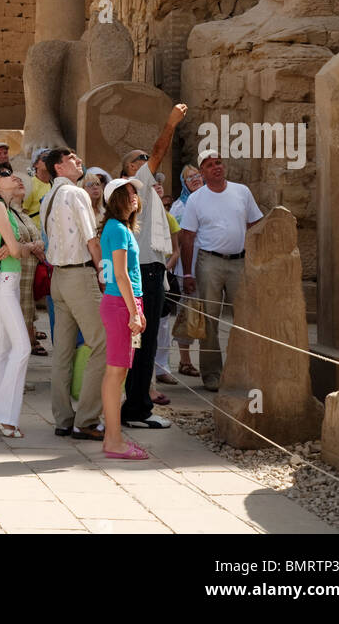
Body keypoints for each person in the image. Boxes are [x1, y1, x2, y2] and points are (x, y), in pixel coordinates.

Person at [117, 104, 188, 433]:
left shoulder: (138, 193)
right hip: (146, 271)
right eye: (140, 158)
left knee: (141, 343)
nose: (148, 161)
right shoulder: (137, 182)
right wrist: (170, 122)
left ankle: (135, 404)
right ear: (131, 168)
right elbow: (160, 150)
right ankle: (136, 409)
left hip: (148, 269)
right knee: (142, 345)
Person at [179, 152, 263, 390]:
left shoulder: (242, 192)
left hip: (239, 261)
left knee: (244, 318)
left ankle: (243, 370)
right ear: (202, 173)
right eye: (209, 165)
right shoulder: (196, 199)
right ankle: (212, 374)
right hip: (210, 263)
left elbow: (255, 224)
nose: (216, 167)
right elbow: (187, 237)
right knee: (210, 320)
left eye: (218, 163)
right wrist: (187, 274)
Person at [39, 147, 106, 440]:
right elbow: (91, 239)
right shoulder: (76, 194)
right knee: (102, 343)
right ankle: (88, 419)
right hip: (79, 274)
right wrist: (104, 274)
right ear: (58, 167)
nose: (79, 161)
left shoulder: (47, 199)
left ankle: (63, 419)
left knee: (62, 352)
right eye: (71, 159)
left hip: (59, 277)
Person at [0, 160, 43, 437]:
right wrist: (30, 246)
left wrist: (21, 247)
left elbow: (16, 249)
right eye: (6, 174)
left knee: (6, 350)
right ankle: (6, 417)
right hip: (4, 282)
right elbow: (16, 251)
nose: (13, 177)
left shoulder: (4, 208)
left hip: (9, 282)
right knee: (22, 348)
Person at [99, 178, 149, 461]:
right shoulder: (117, 229)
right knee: (116, 373)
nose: (134, 197)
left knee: (118, 372)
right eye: (128, 192)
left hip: (124, 303)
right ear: (116, 198)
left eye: (135, 193)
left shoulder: (119, 228)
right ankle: (115, 441)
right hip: (121, 304)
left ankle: (112, 437)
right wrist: (134, 311)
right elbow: (121, 275)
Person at [170, 164, 203, 376]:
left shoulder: (212, 200)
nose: (195, 179)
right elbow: (177, 239)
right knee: (187, 314)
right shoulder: (179, 207)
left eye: (198, 175)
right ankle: (184, 360)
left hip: (207, 265)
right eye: (190, 177)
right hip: (186, 268)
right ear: (184, 183)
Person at [150, 175, 180, 396]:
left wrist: (166, 267)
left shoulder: (168, 218)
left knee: (162, 325)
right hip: (148, 272)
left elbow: (176, 249)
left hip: (163, 273)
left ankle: (162, 367)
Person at [9, 175, 46, 354]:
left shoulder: (23, 214)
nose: (21, 183)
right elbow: (12, 244)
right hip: (14, 276)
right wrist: (33, 246)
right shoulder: (5, 211)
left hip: (27, 281)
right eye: (15, 181)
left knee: (25, 319)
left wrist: (36, 246)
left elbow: (36, 239)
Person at [22, 147, 51, 221]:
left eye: (51, 158)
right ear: (35, 164)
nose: (49, 161)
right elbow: (23, 213)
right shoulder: (29, 185)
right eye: (45, 158)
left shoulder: (54, 184)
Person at [81, 169, 107, 234]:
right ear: (81, 188)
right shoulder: (80, 211)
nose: (95, 187)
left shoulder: (104, 212)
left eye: (98, 184)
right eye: (90, 184)